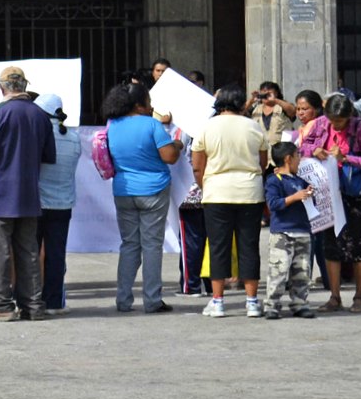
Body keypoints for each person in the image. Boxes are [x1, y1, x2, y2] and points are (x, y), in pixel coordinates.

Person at [0, 67, 54, 321]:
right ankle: (33, 305)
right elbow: (49, 155)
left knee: (1, 251)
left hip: (0, 192)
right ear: (24, 86)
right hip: (29, 192)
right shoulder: (40, 115)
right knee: (28, 250)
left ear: (2, 88)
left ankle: (2, 305)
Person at [291, 92, 361, 312]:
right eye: (333, 120)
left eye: (340, 121)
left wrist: (346, 158)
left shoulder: (360, 128)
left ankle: (359, 296)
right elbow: (300, 148)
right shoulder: (320, 124)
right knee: (331, 243)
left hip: (356, 193)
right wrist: (315, 150)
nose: (336, 125)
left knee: (358, 244)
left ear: (349, 116)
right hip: (327, 190)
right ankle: (334, 295)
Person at [101, 81, 179, 314]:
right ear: (138, 104)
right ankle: (152, 300)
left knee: (129, 245)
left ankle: (123, 299)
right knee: (152, 245)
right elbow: (169, 157)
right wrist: (177, 144)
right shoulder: (151, 125)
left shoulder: (112, 125)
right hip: (153, 189)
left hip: (124, 190)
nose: (151, 105)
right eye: (148, 101)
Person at [193, 85, 267, 318]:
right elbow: (262, 162)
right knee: (249, 246)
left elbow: (197, 165)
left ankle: (218, 301)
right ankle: (252, 302)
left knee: (218, 246)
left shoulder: (207, 126)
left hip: (217, 192)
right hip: (250, 191)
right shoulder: (253, 126)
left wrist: (207, 185)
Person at [35, 92, 80, 314]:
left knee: (31, 252)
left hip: (38, 203)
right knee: (56, 253)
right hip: (63, 203)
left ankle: (31, 298)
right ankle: (54, 302)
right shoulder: (73, 137)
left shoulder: (36, 134)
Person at [262, 144, 317, 320]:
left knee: (302, 271)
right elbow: (273, 204)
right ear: (288, 158)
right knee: (278, 270)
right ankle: (272, 305)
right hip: (282, 234)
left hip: (303, 231)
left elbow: (309, 201)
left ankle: (300, 303)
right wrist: (295, 197)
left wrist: (309, 194)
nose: (299, 159)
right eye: (297, 155)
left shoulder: (299, 180)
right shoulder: (274, 180)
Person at [252, 81, 297, 148]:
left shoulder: (282, 106)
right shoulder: (256, 109)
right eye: (263, 93)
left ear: (276, 93)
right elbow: (239, 113)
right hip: (261, 151)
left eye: (269, 93)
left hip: (281, 150)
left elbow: (293, 111)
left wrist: (276, 100)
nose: (266, 96)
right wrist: (251, 100)